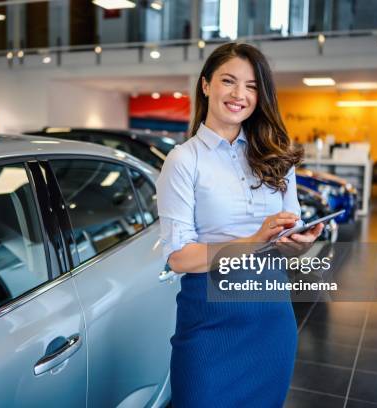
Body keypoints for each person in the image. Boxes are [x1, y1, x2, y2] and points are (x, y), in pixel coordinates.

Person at [156, 42, 324, 407]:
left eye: (251, 86)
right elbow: (179, 258)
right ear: (205, 85)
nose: (239, 95)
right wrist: (253, 240)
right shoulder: (184, 161)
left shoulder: (276, 155)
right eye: (228, 81)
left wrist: (300, 244)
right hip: (210, 320)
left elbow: (288, 234)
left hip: (271, 315)